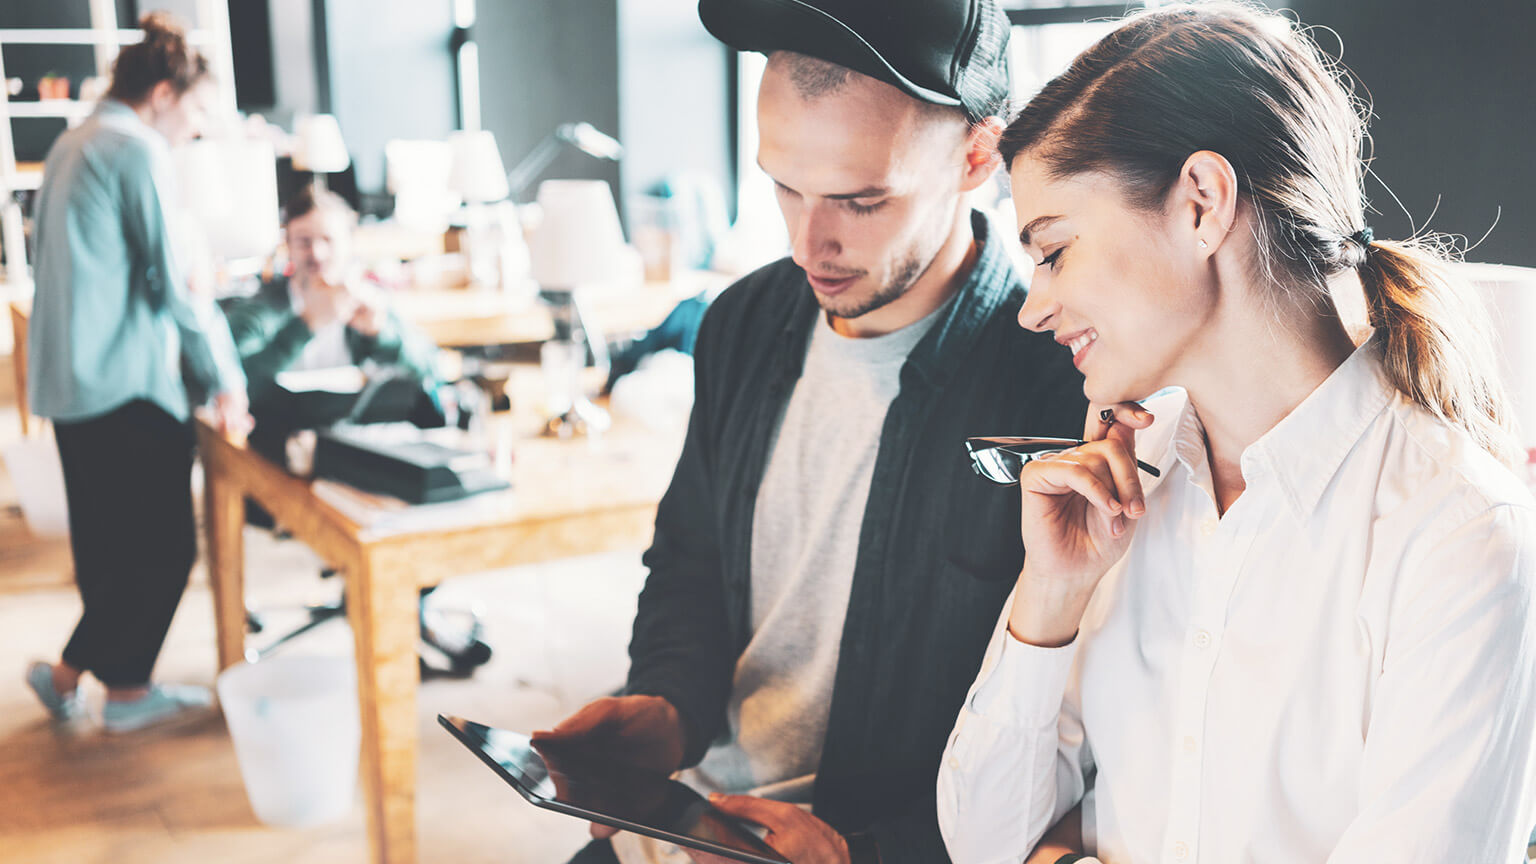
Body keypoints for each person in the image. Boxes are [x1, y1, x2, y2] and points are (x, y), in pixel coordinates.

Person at [935, 5, 1536, 862]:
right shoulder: (1124, 479)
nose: (1033, 307)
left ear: (1203, 204)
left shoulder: (1460, 536)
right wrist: (1053, 595)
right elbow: (984, 844)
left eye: (1055, 249)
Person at [539, 1, 1088, 862]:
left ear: (978, 155)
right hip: (690, 813)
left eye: (860, 200)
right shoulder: (743, 320)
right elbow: (692, 559)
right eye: (782, 187)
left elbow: (1070, 730)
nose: (807, 242)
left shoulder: (1061, 381)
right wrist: (665, 711)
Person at [24, 12, 252, 733]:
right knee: (163, 547)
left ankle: (121, 686)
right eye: (196, 111)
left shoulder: (72, 142)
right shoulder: (135, 150)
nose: (196, 128)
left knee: (106, 544)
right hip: (123, 382)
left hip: (70, 382)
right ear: (162, 92)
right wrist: (223, 376)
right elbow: (176, 283)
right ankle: (78, 676)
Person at [222, 184, 439, 413]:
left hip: (352, 430)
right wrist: (306, 324)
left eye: (328, 240)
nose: (317, 253)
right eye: (304, 241)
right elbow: (232, 383)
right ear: (288, 245)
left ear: (349, 242)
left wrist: (381, 333)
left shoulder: (368, 299)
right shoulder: (258, 309)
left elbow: (431, 368)